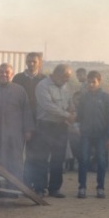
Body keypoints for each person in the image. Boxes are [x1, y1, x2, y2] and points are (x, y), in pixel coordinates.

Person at [29, 64, 75, 198]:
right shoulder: (43, 86)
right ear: (57, 74)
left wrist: (72, 112)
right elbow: (48, 106)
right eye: (65, 76)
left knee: (58, 159)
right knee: (41, 158)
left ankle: (54, 188)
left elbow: (70, 103)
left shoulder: (66, 87)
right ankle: (39, 188)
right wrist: (67, 115)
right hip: (45, 126)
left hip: (61, 127)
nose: (67, 80)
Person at [76, 71, 109, 199]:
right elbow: (79, 116)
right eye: (89, 82)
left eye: (94, 82)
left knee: (101, 161)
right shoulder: (83, 97)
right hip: (86, 133)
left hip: (101, 134)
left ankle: (101, 188)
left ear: (99, 81)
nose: (91, 85)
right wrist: (77, 127)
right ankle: (82, 187)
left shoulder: (106, 97)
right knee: (84, 160)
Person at [12, 52, 47, 188]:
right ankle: (20, 184)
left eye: (34, 61)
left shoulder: (44, 80)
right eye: (29, 61)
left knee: (37, 155)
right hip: (19, 121)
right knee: (17, 154)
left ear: (40, 63)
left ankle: (39, 186)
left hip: (39, 122)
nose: (31, 64)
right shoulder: (18, 79)